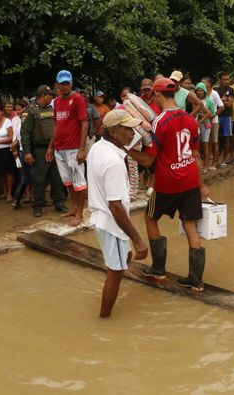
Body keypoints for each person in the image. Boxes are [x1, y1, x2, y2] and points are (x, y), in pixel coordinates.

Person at [127, 77, 210, 292]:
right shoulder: (190, 120)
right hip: (190, 179)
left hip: (168, 183)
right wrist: (201, 186)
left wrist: (126, 150)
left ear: (156, 95)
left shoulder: (159, 122)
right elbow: (196, 156)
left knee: (149, 217)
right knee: (190, 225)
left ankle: (158, 268)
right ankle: (196, 281)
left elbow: (149, 160)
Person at [87, 109, 148, 317]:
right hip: (111, 222)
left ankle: (118, 272)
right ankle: (104, 318)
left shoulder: (97, 148)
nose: (133, 134)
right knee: (115, 273)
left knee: (124, 258)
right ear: (114, 131)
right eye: (129, 129)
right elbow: (115, 205)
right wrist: (138, 239)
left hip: (103, 217)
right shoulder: (113, 162)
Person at [47, 70, 89, 227]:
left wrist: (82, 149)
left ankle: (80, 214)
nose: (64, 86)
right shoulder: (57, 101)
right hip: (60, 148)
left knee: (79, 181)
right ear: (57, 84)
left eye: (67, 83)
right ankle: (74, 207)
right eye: (61, 83)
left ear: (71, 84)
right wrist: (51, 147)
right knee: (68, 181)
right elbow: (56, 125)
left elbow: (84, 124)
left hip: (73, 147)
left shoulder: (77, 99)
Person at [20, 85, 66, 216]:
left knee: (56, 177)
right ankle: (38, 206)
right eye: (49, 95)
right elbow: (25, 133)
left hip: (54, 149)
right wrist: (27, 151)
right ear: (42, 96)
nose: (51, 97)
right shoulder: (30, 111)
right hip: (39, 150)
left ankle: (59, 203)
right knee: (39, 179)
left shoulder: (53, 109)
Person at [0, 103, 15, 203]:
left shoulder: (7, 121)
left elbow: (10, 137)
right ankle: (4, 192)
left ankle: (9, 193)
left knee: (9, 173)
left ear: (1, 112)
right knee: (1, 173)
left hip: (6, 150)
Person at [201, 77, 223, 171]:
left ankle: (214, 162)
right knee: (206, 142)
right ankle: (207, 163)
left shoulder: (214, 93)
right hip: (205, 121)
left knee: (214, 142)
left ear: (209, 84)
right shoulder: (201, 94)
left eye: (204, 83)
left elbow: (221, 107)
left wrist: (213, 115)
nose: (202, 85)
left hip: (214, 121)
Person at [214, 71, 234, 167]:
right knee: (217, 138)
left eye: (228, 79)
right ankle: (216, 159)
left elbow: (229, 104)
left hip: (227, 116)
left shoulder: (231, 89)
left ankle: (225, 158)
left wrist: (220, 100)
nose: (226, 81)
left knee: (227, 137)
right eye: (224, 79)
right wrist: (223, 100)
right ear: (220, 80)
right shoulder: (215, 89)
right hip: (217, 116)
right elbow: (217, 102)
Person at [194, 82, 216, 171]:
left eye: (201, 90)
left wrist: (203, 117)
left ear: (204, 91)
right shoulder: (194, 99)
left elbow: (213, 113)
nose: (199, 92)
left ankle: (206, 166)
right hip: (196, 124)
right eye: (198, 90)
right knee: (197, 145)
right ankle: (198, 166)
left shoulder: (208, 101)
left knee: (205, 144)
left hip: (205, 124)